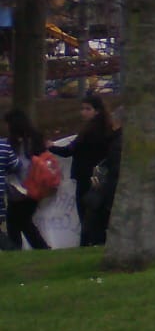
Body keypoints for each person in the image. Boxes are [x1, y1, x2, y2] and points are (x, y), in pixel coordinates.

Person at [48, 94, 122, 246]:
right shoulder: (107, 129)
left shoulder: (89, 131)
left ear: (97, 111)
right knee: (97, 210)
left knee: (85, 210)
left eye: (87, 109)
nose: (83, 112)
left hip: (85, 174)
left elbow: (70, 150)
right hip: (100, 175)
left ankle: (87, 241)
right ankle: (95, 240)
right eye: (82, 109)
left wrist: (51, 147)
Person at [4, 108, 50, 250]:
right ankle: (37, 248)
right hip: (35, 187)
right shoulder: (36, 139)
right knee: (23, 221)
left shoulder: (15, 143)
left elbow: (18, 165)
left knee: (16, 221)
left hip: (20, 188)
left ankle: (17, 248)